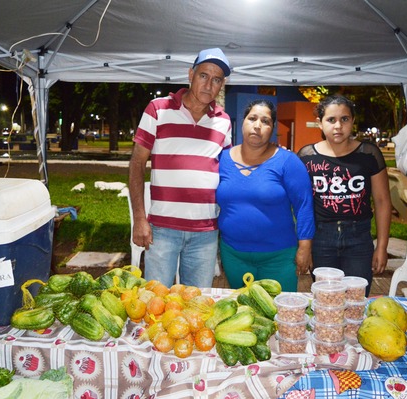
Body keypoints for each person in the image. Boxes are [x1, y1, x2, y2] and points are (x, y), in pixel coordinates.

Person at [128, 48, 232, 288]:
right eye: (204, 75)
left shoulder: (223, 121)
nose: (209, 84)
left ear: (221, 85)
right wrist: (140, 219)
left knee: (196, 306)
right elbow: (136, 164)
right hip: (162, 230)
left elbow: (226, 172)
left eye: (216, 80)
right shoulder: (158, 109)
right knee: (157, 303)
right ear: (190, 75)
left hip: (206, 233)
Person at [297, 94, 391, 296]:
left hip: (359, 239)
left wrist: (382, 246)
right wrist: (305, 245)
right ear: (320, 124)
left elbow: (382, 201)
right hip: (321, 239)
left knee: (356, 301)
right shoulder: (306, 156)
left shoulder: (368, 154)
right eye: (331, 120)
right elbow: (302, 204)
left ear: (353, 121)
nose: (338, 125)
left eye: (344, 119)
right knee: (326, 301)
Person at [216, 100, 315, 292]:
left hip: (279, 258)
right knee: (243, 313)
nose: (257, 125)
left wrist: (305, 247)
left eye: (265, 121)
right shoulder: (222, 159)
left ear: (272, 128)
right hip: (234, 255)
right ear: (243, 122)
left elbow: (304, 205)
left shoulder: (288, 161)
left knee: (281, 314)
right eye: (252, 118)